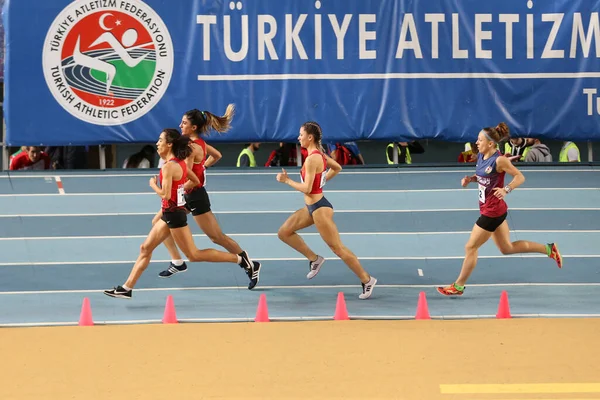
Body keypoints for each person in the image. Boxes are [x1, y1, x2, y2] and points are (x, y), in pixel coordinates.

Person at [104, 129, 255, 299]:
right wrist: (180, 190)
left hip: (174, 215)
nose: (157, 143)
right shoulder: (180, 164)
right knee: (145, 248)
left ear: (169, 144)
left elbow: (165, 195)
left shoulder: (169, 167)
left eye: (160, 140)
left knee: (194, 255)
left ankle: (239, 259)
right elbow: (195, 180)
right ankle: (126, 288)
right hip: (171, 212)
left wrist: (153, 184)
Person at [437, 122, 563, 297]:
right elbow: (483, 177)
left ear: (490, 143)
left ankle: (458, 286)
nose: (477, 142)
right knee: (507, 248)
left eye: (480, 140)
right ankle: (548, 249)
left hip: (492, 212)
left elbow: (520, 177)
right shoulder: (481, 156)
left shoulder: (500, 160)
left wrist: (506, 189)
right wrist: (470, 179)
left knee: (470, 247)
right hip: (493, 209)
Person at [154, 105, 261, 290]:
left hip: (194, 196)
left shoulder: (191, 147)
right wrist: (203, 167)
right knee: (158, 222)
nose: (180, 125)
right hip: (188, 196)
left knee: (216, 237)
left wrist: (176, 190)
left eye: (184, 123)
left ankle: (248, 263)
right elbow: (217, 155)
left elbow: (188, 178)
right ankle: (177, 261)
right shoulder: (199, 143)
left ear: (193, 127)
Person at [276, 121, 377, 299]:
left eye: (301, 135)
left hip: (320, 209)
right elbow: (337, 167)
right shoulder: (318, 155)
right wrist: (320, 183)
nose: (298, 138)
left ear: (310, 137)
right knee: (284, 232)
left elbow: (307, 188)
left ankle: (367, 279)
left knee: (337, 248)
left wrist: (286, 181)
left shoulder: (311, 158)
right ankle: (315, 259)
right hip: (312, 207)